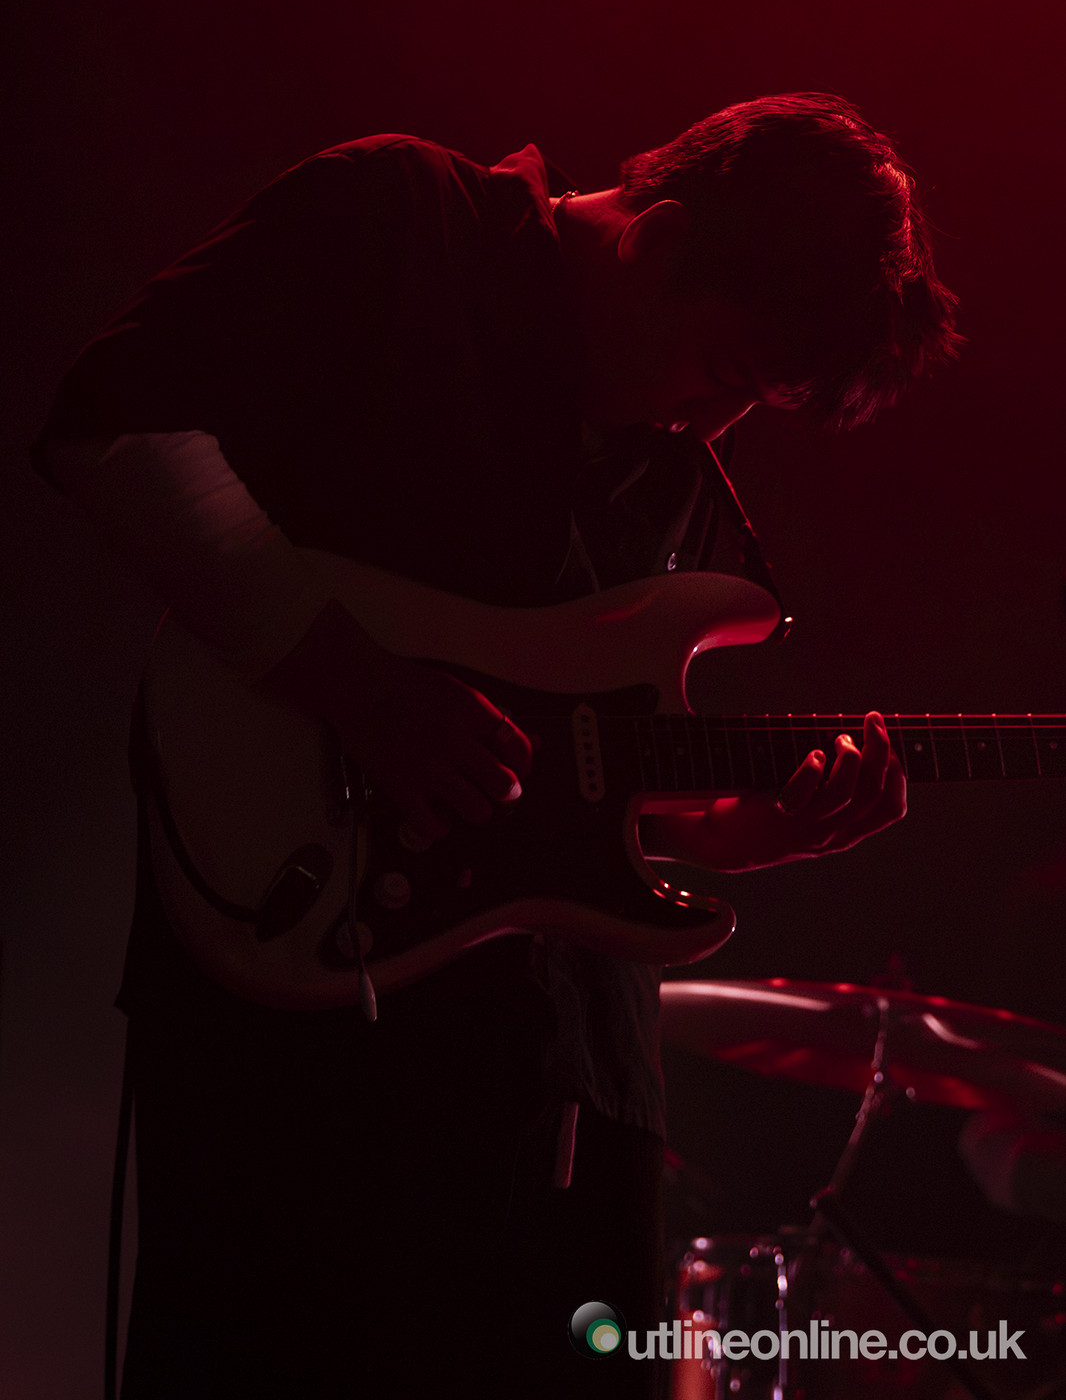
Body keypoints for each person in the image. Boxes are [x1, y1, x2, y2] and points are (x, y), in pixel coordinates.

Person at [34, 93, 958, 1398]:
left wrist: (734, 833)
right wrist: (355, 684)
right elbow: (114, 423)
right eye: (725, 372)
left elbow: (571, 768)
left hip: (575, 1084)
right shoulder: (401, 218)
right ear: (661, 236)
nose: (711, 424)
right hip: (310, 1051)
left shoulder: (667, 468)